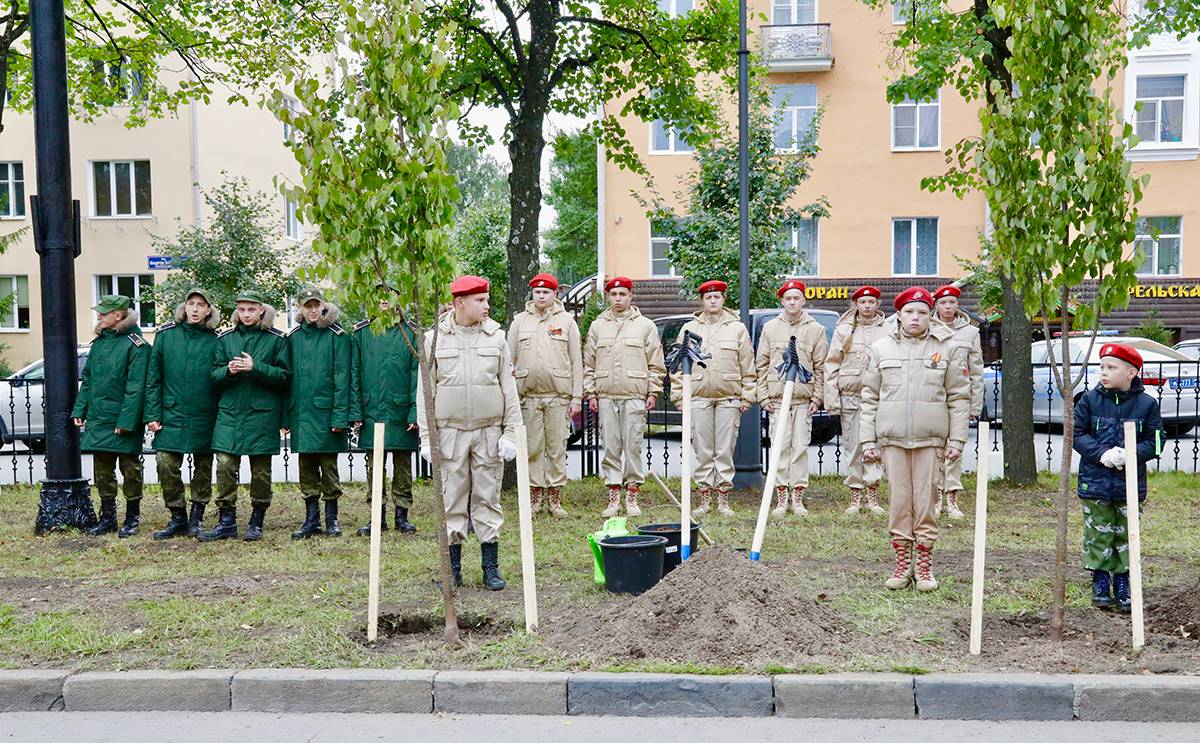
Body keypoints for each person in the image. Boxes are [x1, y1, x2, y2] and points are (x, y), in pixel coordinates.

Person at [416, 275, 522, 590]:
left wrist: (511, 434)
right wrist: (426, 438)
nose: (487, 306)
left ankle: (491, 568)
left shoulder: (497, 338)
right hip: (450, 433)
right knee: (452, 498)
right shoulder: (434, 340)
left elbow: (509, 390)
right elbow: (425, 393)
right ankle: (454, 571)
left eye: (487, 300)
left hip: (489, 432)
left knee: (488, 498)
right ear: (459, 303)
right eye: (480, 301)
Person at [860, 287, 969, 592]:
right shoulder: (881, 348)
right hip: (892, 440)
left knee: (925, 503)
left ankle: (923, 564)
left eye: (922, 312)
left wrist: (956, 441)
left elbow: (959, 396)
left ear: (930, 315)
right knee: (898, 502)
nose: (915, 317)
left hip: (930, 440)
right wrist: (868, 441)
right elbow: (869, 397)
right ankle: (901, 562)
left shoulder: (946, 347)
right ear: (899, 315)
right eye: (910, 312)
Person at [1072, 343, 1164, 613]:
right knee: (1098, 533)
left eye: (1111, 368)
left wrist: (1130, 454)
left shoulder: (1146, 405)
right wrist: (1102, 454)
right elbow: (1078, 435)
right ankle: (1100, 581)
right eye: (1102, 367)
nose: (1104, 372)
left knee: (1126, 534)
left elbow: (1156, 442)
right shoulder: (1089, 400)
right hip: (1095, 482)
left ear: (1131, 373)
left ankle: (1124, 583)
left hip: (1130, 485)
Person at [199, 290, 291, 542]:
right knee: (225, 466)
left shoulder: (276, 339)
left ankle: (257, 521)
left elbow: (285, 377)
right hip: (230, 414)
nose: (247, 314)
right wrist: (228, 371)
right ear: (236, 311)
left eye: (251, 309)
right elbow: (213, 376)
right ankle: (226, 521)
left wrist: (255, 367)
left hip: (262, 415)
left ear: (261, 309)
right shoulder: (225, 338)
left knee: (261, 472)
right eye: (242, 309)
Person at [670, 280, 756, 517]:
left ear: (723, 299)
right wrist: (679, 396)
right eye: (709, 298)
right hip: (698, 396)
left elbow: (747, 365)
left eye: (717, 297)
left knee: (725, 450)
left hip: (729, 397)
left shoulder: (737, 329)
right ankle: (705, 497)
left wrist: (748, 395)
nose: (713, 301)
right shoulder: (688, 329)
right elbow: (677, 365)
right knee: (703, 449)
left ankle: (723, 498)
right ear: (702, 301)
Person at [583, 276, 666, 518]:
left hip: (634, 395)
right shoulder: (598, 326)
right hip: (607, 395)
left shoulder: (645, 326)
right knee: (610, 447)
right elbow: (589, 362)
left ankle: (631, 497)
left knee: (633, 447)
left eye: (622, 294)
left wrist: (653, 391)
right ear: (608, 297)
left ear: (631, 296)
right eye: (613, 294)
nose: (618, 299)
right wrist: (591, 392)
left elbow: (656, 364)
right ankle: (613, 498)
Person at [144, 288, 221, 539]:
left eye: (201, 304)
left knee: (203, 466)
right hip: (171, 413)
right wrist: (152, 414)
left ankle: (197, 517)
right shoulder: (166, 336)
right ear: (184, 307)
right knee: (165, 462)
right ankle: (177, 516)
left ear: (209, 310)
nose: (195, 309)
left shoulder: (215, 340)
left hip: (204, 414)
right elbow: (153, 378)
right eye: (191, 303)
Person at [71, 295, 151, 538]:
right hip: (99, 417)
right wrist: (79, 409)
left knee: (130, 470)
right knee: (103, 471)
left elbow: (136, 387)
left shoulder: (136, 345)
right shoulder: (99, 343)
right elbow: (89, 381)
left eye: (104, 313)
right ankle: (107, 518)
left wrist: (126, 422)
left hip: (123, 420)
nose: (99, 316)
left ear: (119, 315)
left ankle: (132, 518)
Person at [507, 273, 583, 517]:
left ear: (555, 294)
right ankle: (535, 497)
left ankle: (555, 498)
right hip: (528, 396)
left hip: (558, 395)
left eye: (546, 292)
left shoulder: (567, 322)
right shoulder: (520, 321)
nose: (541, 296)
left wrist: (576, 397)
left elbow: (576, 361)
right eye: (537, 292)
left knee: (556, 447)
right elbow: (510, 360)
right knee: (532, 448)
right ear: (532, 294)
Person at [286, 288, 354, 539]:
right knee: (306, 468)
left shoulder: (337, 336)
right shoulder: (292, 338)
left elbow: (342, 378)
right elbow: (287, 378)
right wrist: (286, 416)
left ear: (323, 306)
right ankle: (311, 519)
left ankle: (331, 519)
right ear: (301, 309)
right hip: (302, 416)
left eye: (317, 305)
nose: (313, 310)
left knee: (329, 469)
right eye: (308, 306)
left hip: (327, 416)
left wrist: (339, 417)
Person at [756, 279, 827, 516]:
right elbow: (761, 364)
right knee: (779, 447)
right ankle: (781, 497)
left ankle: (797, 497)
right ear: (782, 301)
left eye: (797, 298)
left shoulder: (815, 329)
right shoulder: (770, 328)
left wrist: (817, 398)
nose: (793, 302)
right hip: (777, 401)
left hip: (802, 400)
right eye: (788, 298)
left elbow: (821, 367)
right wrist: (764, 397)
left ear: (803, 300)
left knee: (799, 447)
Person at [351, 296, 420, 536]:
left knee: (403, 466)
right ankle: (376, 517)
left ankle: (402, 516)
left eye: (388, 296)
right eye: (378, 296)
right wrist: (355, 410)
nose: (383, 301)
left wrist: (415, 411)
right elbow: (354, 373)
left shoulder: (410, 333)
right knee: (374, 466)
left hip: (401, 410)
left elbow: (417, 376)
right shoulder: (361, 333)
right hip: (371, 410)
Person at [824, 285, 889, 516]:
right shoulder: (844, 330)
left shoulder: (888, 329)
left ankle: (872, 497)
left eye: (872, 302)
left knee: (874, 446)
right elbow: (832, 364)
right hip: (851, 396)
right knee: (853, 447)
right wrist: (832, 399)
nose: (867, 306)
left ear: (877, 305)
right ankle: (855, 496)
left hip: (879, 398)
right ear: (856, 305)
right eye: (863, 302)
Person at [931, 284, 984, 520]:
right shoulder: (929, 328)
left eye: (952, 302)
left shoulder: (970, 332)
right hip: (934, 396)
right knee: (934, 448)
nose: (948, 307)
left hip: (959, 397)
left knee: (955, 448)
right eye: (943, 303)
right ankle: (935, 497)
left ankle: (951, 497)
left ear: (957, 305)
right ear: (936, 305)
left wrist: (975, 405)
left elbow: (976, 371)